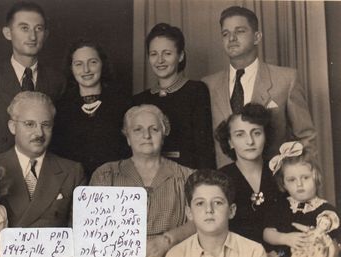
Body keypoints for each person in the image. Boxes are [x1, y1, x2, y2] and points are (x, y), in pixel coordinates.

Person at [202, 6, 316, 168]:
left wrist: (301, 179)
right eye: (225, 34)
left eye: (240, 31)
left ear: (257, 37)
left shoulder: (286, 79)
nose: (232, 38)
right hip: (224, 183)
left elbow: (306, 137)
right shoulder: (208, 85)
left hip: (273, 182)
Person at [90, 104, 195, 257]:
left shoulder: (186, 176)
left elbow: (201, 222)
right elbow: (90, 228)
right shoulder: (106, 174)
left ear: (164, 134)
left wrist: (168, 240)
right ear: (127, 137)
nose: (146, 135)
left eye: (154, 129)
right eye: (137, 129)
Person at [0, 1, 65, 155]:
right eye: (24, 28)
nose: (32, 36)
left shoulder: (58, 80)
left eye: (39, 29)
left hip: (44, 172)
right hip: (0, 172)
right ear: (8, 33)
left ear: (46, 34)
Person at [0, 91, 85, 227]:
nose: (39, 133)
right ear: (13, 127)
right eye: (30, 124)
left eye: (46, 125)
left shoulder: (72, 172)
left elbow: (79, 233)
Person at [133, 23, 215, 170]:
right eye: (154, 54)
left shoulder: (196, 91)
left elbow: (204, 150)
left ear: (181, 55)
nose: (160, 60)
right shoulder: (140, 100)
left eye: (167, 53)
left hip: (187, 177)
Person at [51, 38, 130, 182]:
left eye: (92, 62)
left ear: (102, 64)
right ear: (71, 68)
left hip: (115, 185)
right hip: (72, 186)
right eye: (78, 64)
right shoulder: (60, 107)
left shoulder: (123, 104)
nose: (86, 70)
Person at [215, 103, 281, 245]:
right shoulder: (220, 179)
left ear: (266, 136)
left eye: (256, 133)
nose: (250, 141)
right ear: (230, 142)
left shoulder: (280, 171)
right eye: (240, 135)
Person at [263, 141, 341, 257]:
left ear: (316, 177)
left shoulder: (328, 212)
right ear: (283, 184)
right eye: (292, 180)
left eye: (305, 177)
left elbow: (336, 246)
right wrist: (285, 238)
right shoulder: (280, 206)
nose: (299, 184)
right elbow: (266, 234)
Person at [166, 169, 266, 257]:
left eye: (218, 203)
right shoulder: (176, 254)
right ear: (189, 212)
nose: (209, 209)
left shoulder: (253, 252)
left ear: (231, 211)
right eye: (200, 203)